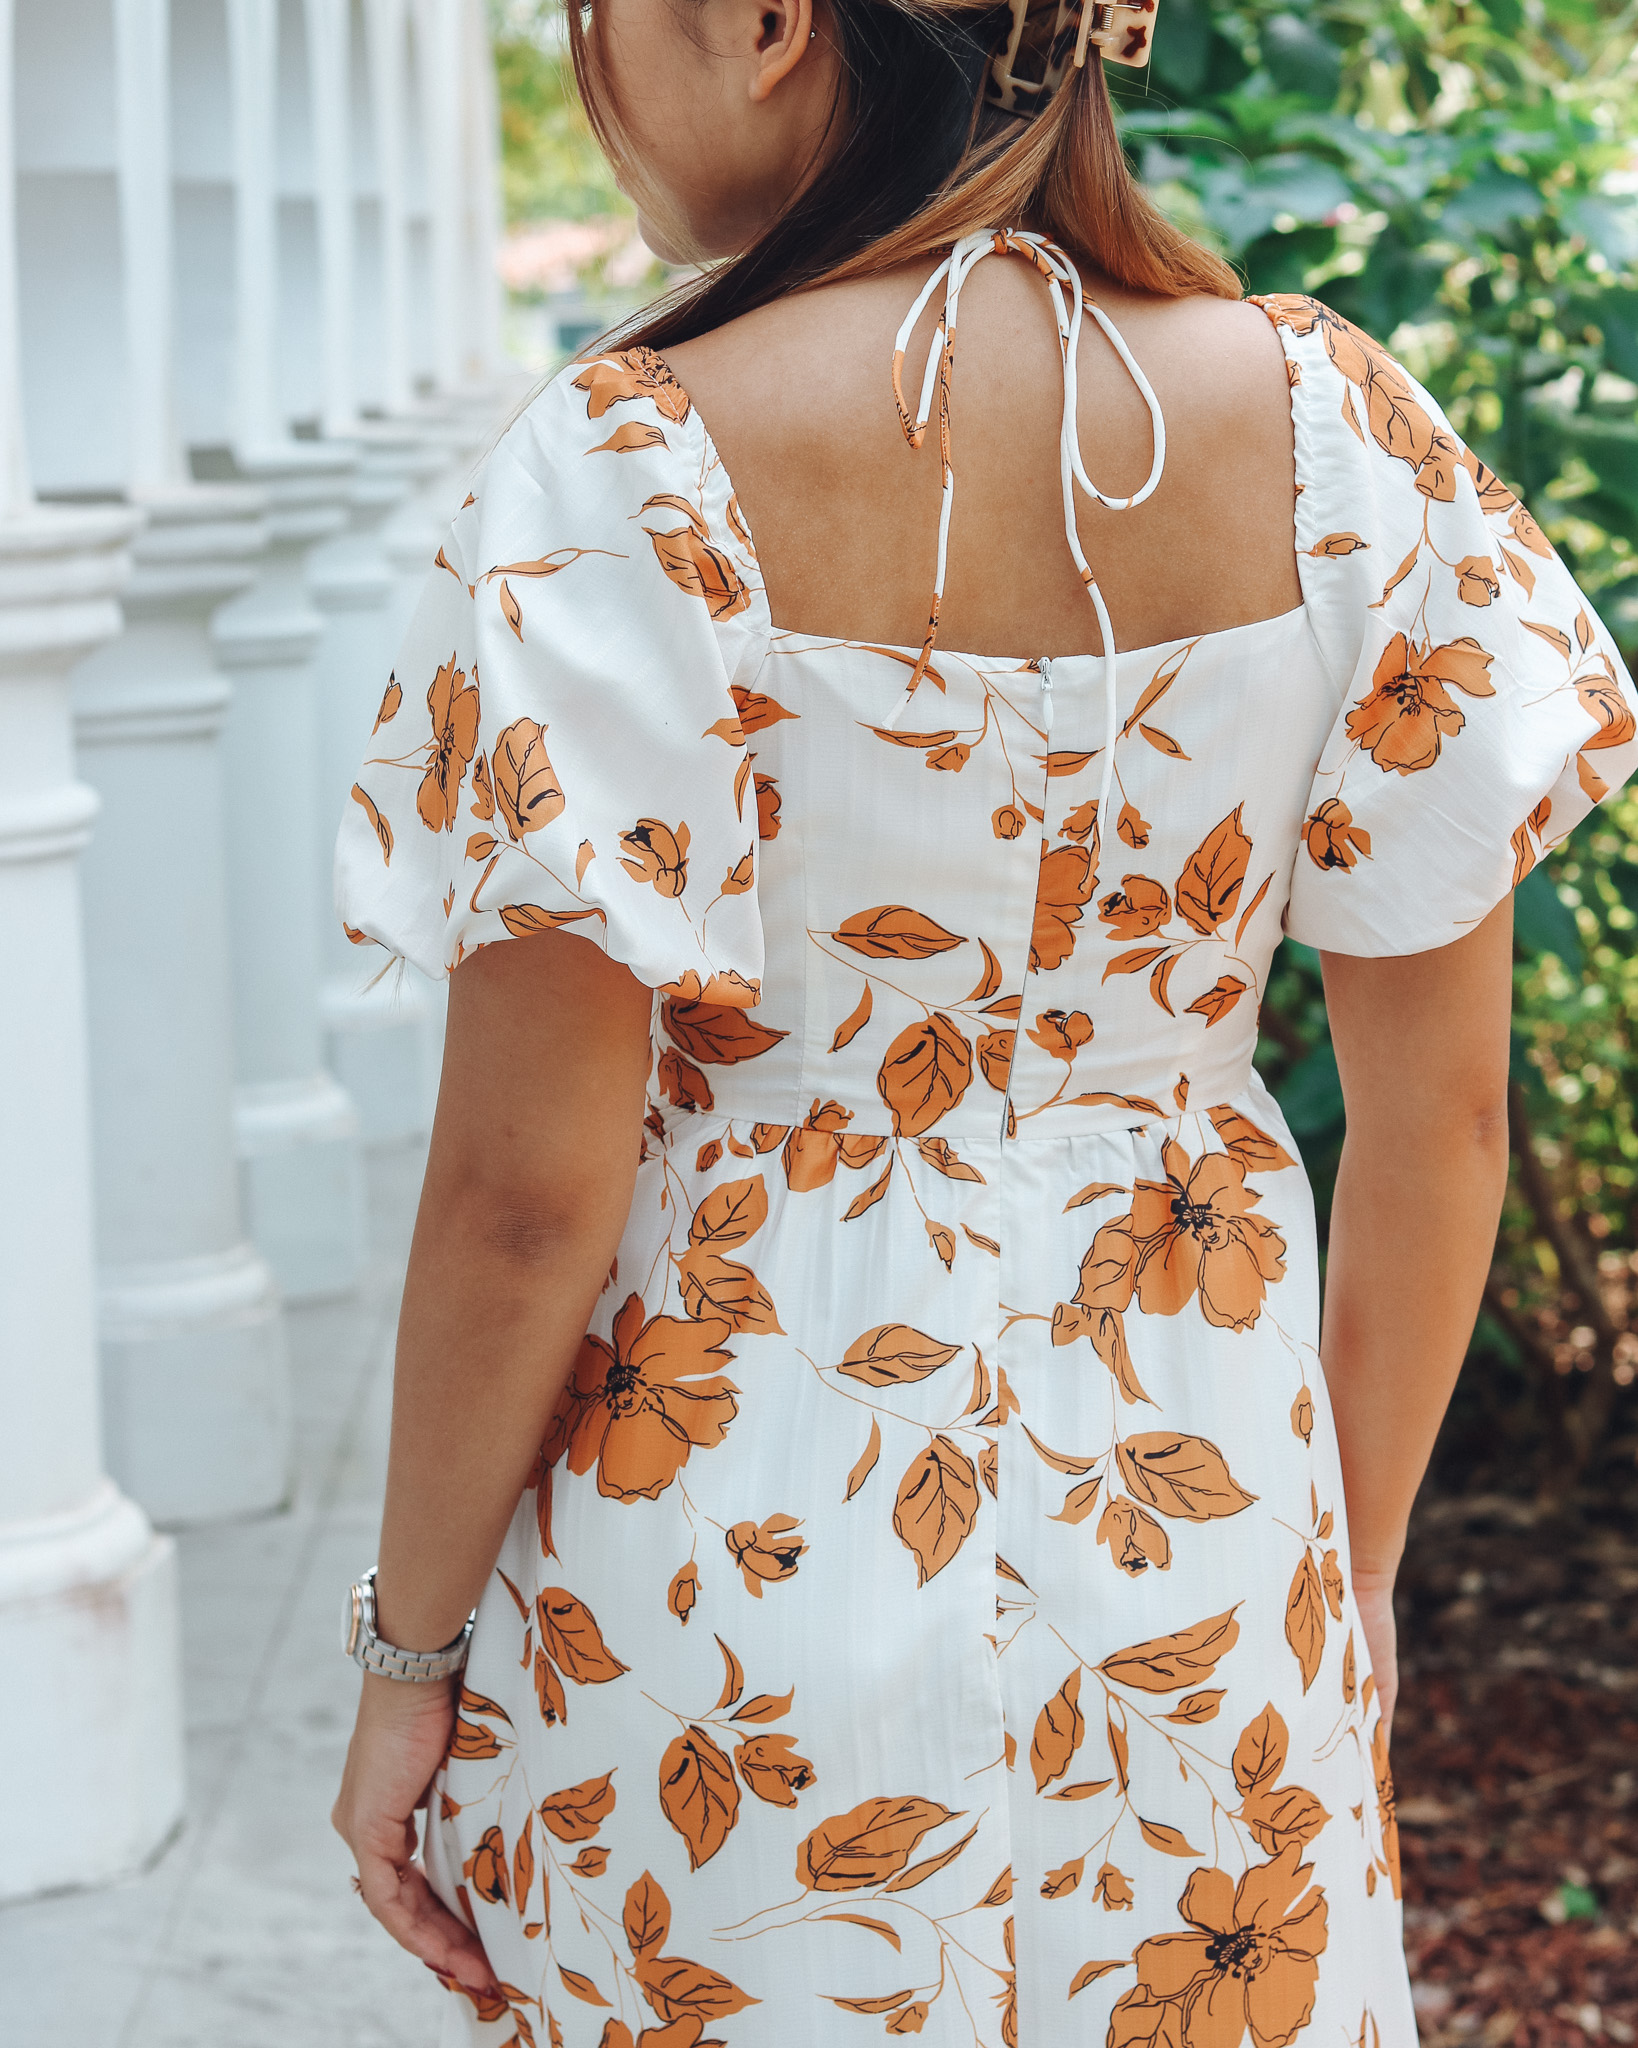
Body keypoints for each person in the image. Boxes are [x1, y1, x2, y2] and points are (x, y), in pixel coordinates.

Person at [329, 0, 1638, 2037]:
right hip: (1204, 1511)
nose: (589, 74)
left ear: (765, 27)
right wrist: (1337, 1569)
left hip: (723, 1572)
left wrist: (406, 1667)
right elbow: (1441, 1122)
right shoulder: (1341, 440)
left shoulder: (622, 467)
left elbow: (524, 1195)